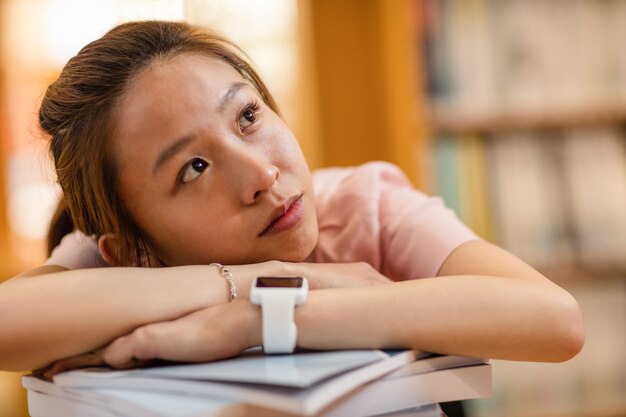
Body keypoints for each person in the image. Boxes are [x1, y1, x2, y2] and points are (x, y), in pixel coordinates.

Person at [0, 21, 583, 378]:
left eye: (248, 116)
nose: (261, 172)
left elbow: (554, 320)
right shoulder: (112, 260)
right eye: (194, 167)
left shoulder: (363, 207)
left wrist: (263, 317)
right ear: (132, 249)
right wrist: (255, 281)